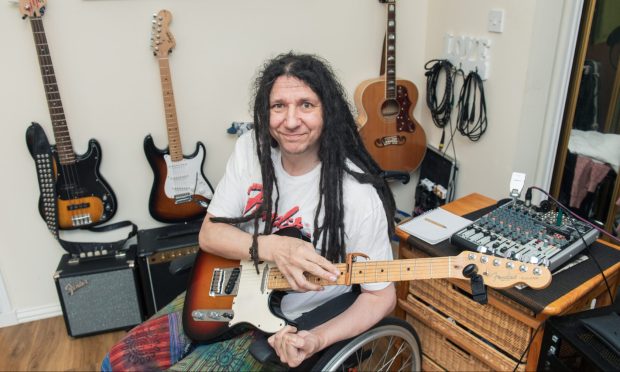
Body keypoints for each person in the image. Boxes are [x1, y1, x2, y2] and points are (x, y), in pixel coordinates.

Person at [102, 51, 397, 371]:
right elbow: (210, 234)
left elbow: (380, 296)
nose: (292, 120)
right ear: (264, 111)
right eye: (279, 106)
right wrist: (273, 246)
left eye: (306, 105)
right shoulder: (250, 150)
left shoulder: (358, 196)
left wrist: (317, 338)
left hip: (287, 322)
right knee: (116, 363)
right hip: (222, 292)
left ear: (329, 112)